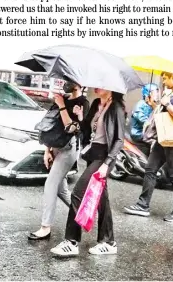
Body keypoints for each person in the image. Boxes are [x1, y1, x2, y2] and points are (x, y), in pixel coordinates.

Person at [50, 87, 125, 257]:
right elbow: (85, 128)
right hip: (94, 154)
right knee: (101, 200)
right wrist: (80, 116)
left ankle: (71, 241)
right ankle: (109, 242)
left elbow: (119, 140)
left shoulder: (117, 108)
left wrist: (107, 163)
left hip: (105, 157)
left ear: (111, 87)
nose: (96, 87)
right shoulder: (97, 103)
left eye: (101, 83)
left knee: (78, 192)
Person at [123, 72, 173, 222]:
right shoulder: (171, 94)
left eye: (165, 78)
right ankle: (143, 205)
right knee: (150, 169)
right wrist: (156, 104)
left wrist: (167, 104)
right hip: (163, 139)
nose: (164, 82)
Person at [28, 80, 87, 240]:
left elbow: (72, 128)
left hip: (68, 149)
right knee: (61, 190)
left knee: (50, 184)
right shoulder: (64, 98)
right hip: (55, 147)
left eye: (71, 81)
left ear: (79, 84)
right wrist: (47, 150)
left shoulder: (83, 103)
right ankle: (85, 214)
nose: (66, 83)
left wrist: (61, 105)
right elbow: (50, 125)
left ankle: (45, 227)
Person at [129, 83, 159, 155]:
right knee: (156, 142)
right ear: (148, 94)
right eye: (154, 93)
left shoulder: (152, 105)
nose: (156, 95)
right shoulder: (140, 105)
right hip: (139, 133)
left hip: (148, 132)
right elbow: (144, 121)